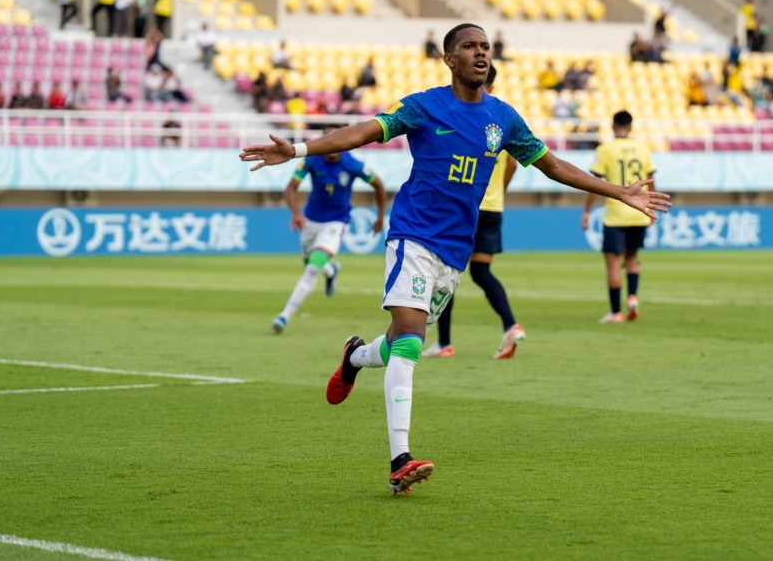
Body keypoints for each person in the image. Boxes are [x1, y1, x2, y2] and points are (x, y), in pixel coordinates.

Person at [239, 24, 671, 496]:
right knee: (410, 341)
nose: (480, 53)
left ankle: (355, 357)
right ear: (449, 59)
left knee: (399, 341)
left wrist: (617, 191)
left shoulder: (503, 118)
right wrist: (299, 150)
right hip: (413, 234)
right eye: (469, 47)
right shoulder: (423, 106)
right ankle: (400, 460)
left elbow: (553, 165)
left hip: (455, 249)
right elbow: (363, 131)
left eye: (486, 47)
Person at [422, 63, 526, 360]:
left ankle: (444, 343)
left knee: (445, 272)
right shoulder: (503, 117)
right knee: (481, 272)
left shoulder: (468, 113)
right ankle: (510, 324)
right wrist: (500, 190)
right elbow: (514, 162)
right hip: (493, 207)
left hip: (466, 207)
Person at [271, 126, 387, 334]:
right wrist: (296, 214)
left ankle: (284, 316)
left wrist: (380, 216)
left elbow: (378, 184)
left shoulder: (352, 164)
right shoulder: (311, 160)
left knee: (312, 268)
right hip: (310, 221)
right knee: (310, 261)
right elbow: (291, 188)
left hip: (336, 221)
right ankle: (331, 271)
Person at [581, 110, 657, 325]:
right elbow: (650, 179)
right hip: (639, 212)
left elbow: (594, 183)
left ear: (612, 126)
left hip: (616, 214)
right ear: (631, 127)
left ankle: (616, 312)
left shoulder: (605, 149)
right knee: (632, 258)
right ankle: (632, 296)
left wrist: (586, 211)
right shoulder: (643, 149)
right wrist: (651, 207)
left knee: (613, 264)